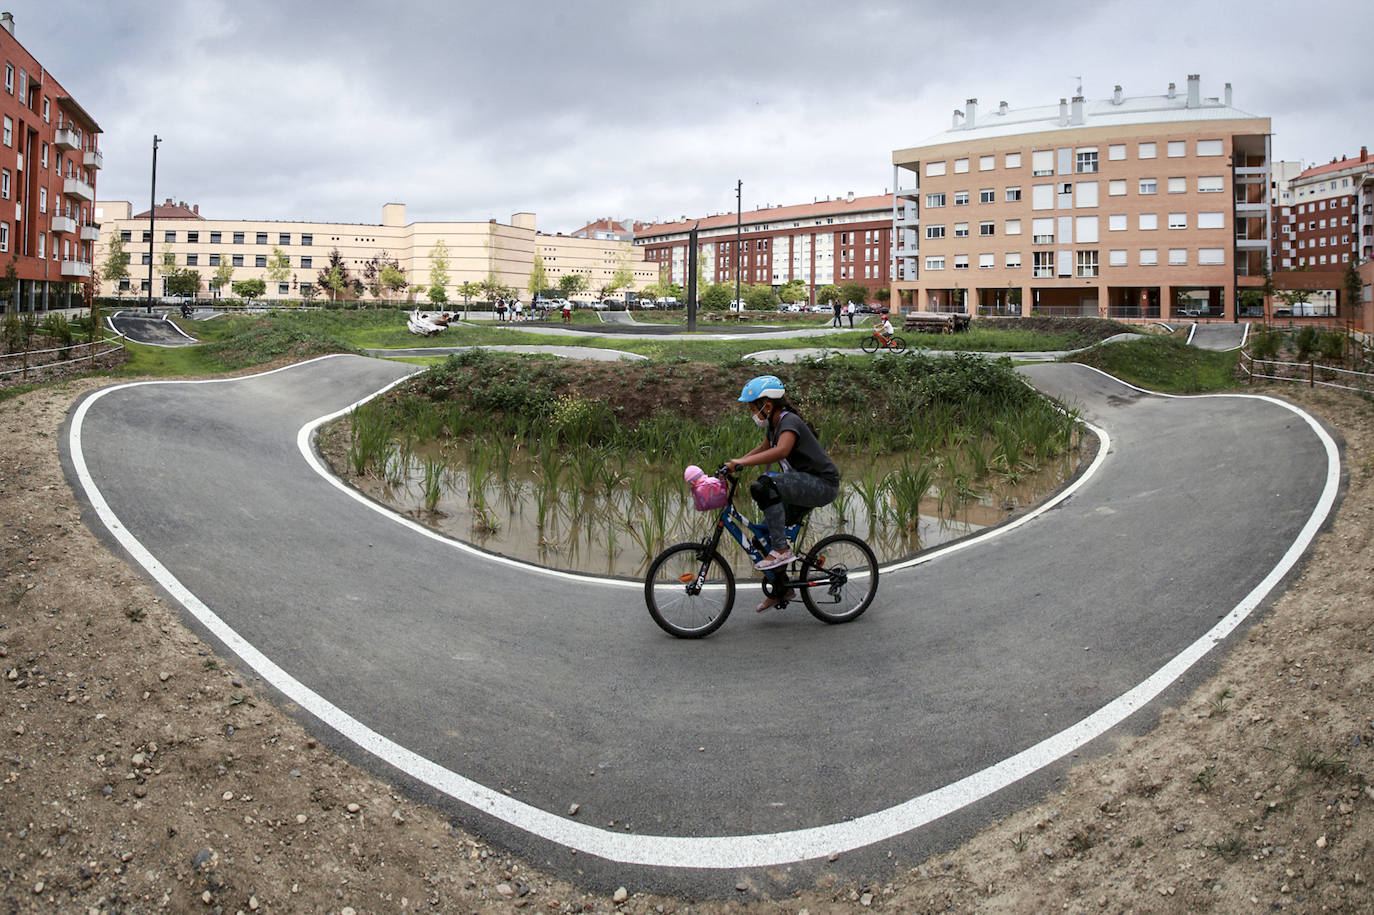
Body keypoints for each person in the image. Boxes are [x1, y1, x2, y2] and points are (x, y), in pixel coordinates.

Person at [727, 375, 841, 612]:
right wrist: (734, 463)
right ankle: (782, 589)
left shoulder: (790, 421)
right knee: (764, 538)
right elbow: (764, 448)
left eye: (753, 407)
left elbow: (782, 451)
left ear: (767, 405)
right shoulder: (774, 425)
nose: (752, 413)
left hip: (821, 484)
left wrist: (743, 463)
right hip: (802, 486)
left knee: (764, 485)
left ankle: (782, 550)